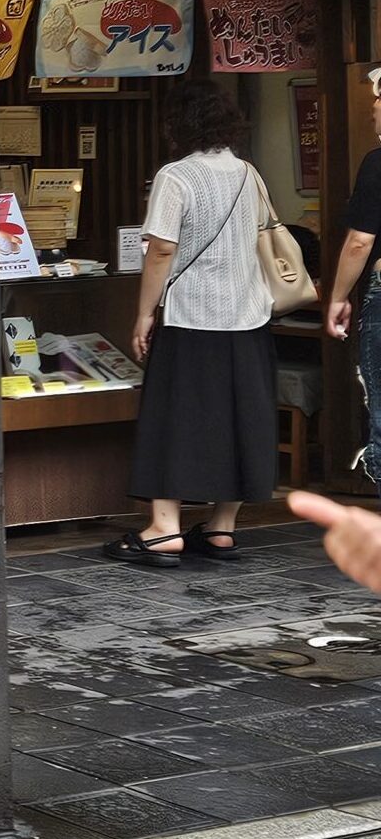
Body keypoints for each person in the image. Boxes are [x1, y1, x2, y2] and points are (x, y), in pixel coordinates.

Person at [116, 82, 276, 567]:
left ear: (177, 124)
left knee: (174, 416)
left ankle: (165, 529)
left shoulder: (176, 176)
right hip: (248, 316)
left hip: (191, 318)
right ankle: (222, 527)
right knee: (242, 417)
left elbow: (162, 249)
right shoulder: (249, 173)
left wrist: (145, 313)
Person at [327, 67, 381, 482]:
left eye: (379, 100)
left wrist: (338, 296)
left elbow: (359, 242)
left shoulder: (377, 164)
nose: (375, 109)